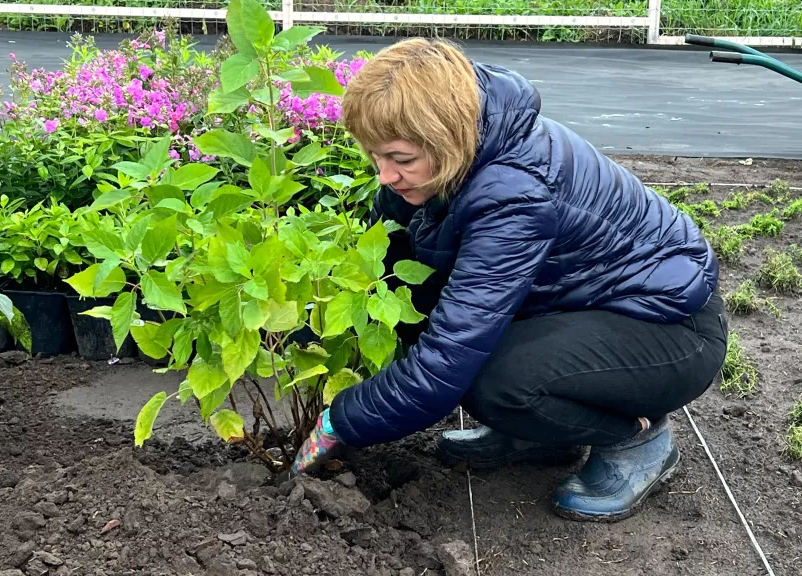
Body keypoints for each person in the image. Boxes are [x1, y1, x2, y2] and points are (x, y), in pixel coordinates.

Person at [290, 38, 729, 522]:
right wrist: (308, 335)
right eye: (375, 157)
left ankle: (638, 437)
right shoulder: (438, 166)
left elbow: (443, 367)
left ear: (446, 137)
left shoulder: (513, 193)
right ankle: (541, 434)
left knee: (491, 381)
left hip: (669, 329)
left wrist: (339, 420)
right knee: (433, 322)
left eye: (400, 159)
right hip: (582, 306)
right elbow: (391, 277)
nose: (385, 175)